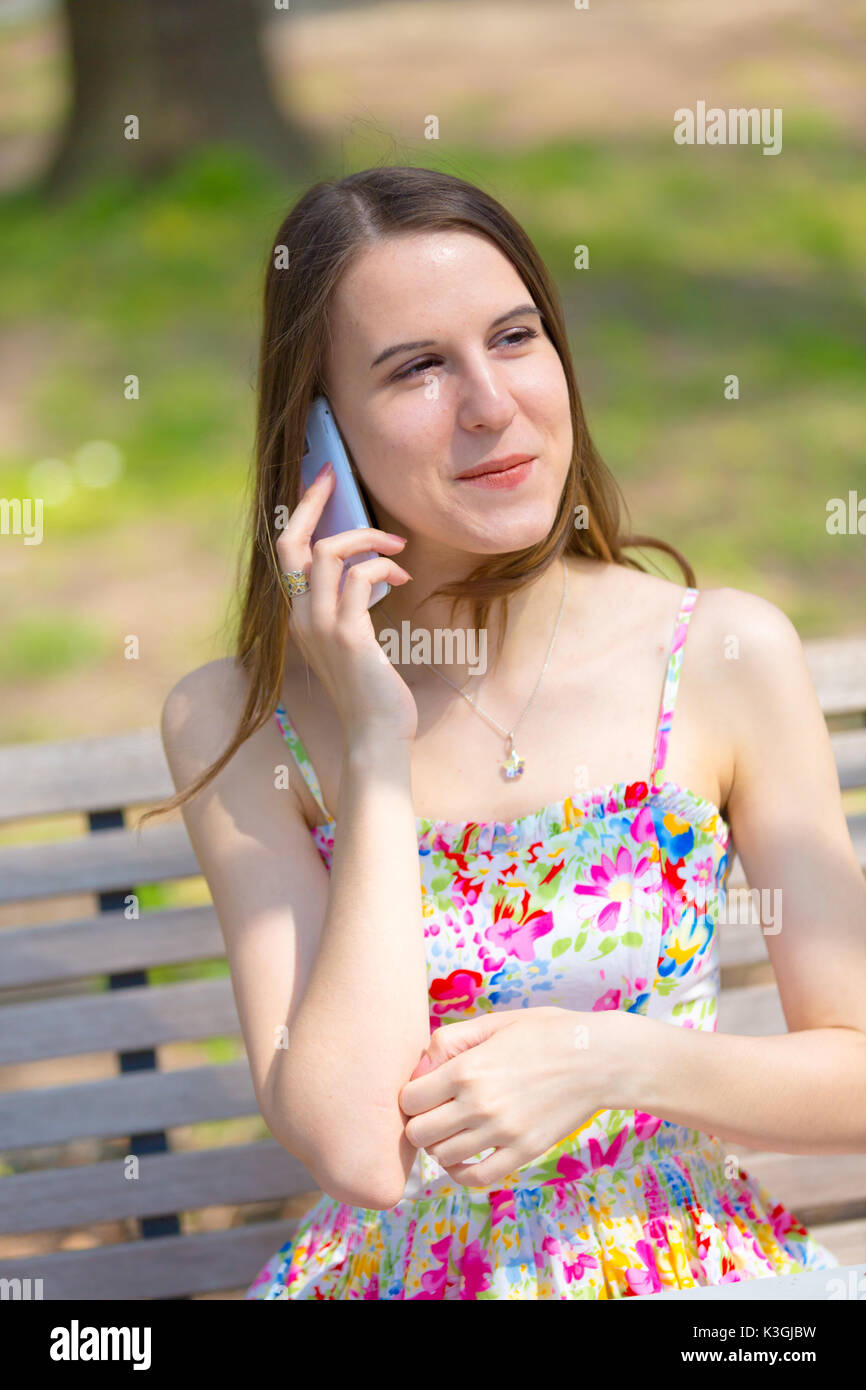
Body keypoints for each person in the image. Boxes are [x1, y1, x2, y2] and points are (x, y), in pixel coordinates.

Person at [152, 166, 865, 1300]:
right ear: (318, 437)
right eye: (417, 368)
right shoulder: (238, 719)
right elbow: (354, 1151)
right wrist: (375, 747)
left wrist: (612, 1060)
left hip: (687, 1272)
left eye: (514, 337)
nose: (489, 403)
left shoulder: (722, 654)